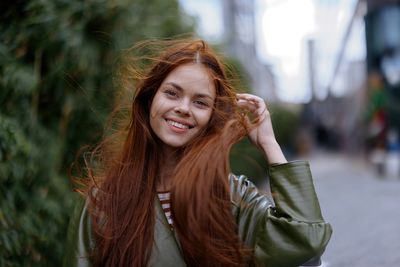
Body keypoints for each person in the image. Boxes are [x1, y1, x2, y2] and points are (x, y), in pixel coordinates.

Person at [63, 39, 332, 267]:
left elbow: (305, 238)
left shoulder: (232, 198)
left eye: (200, 102)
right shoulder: (101, 204)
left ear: (211, 117)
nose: (183, 108)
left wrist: (269, 144)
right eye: (171, 93)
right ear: (149, 100)